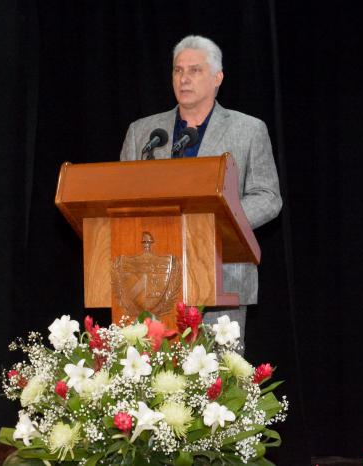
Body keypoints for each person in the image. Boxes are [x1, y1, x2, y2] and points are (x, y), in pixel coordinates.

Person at [119, 35, 282, 349]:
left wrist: (215, 223)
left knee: (215, 384)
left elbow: (268, 196)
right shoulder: (144, 132)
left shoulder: (248, 130)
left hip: (221, 275)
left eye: (194, 70)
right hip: (149, 280)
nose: (184, 78)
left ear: (217, 78)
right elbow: (123, 197)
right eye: (178, 71)